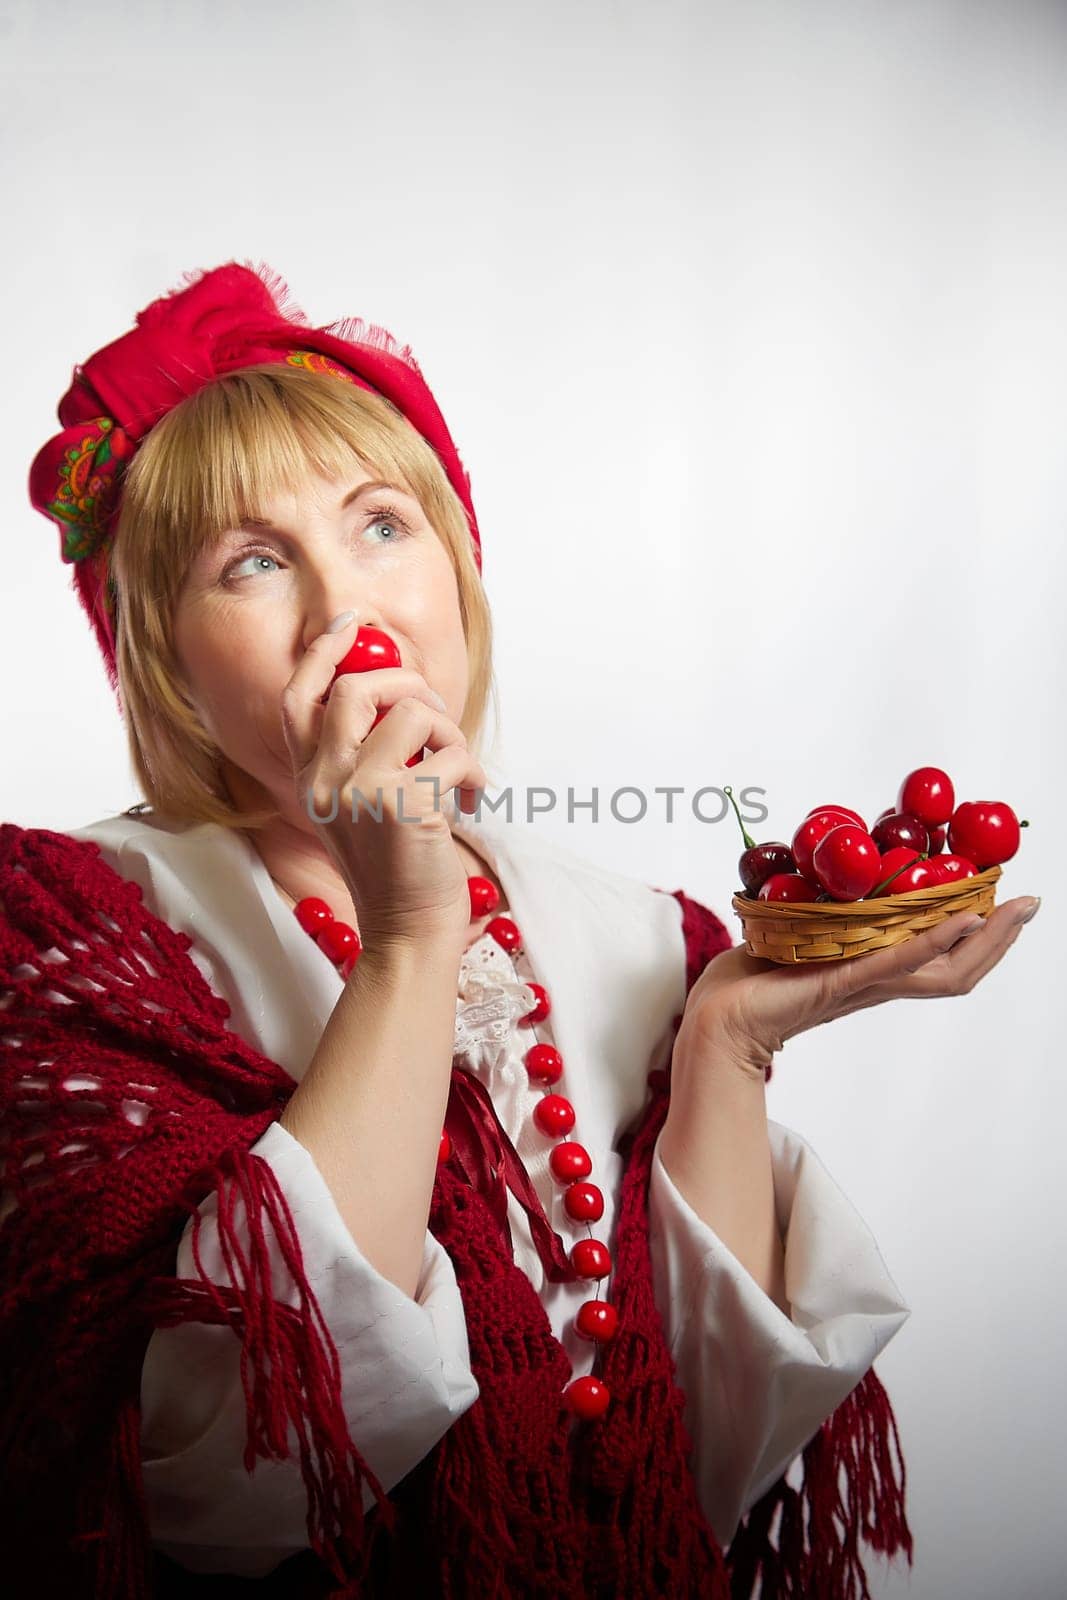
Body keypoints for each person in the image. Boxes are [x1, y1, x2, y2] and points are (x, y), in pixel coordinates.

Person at [0, 261, 1038, 1599]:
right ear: (166, 662)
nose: (345, 609)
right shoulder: (73, 940)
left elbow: (698, 1479)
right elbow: (229, 1493)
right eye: (252, 562)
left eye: (384, 525)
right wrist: (409, 938)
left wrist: (722, 1045)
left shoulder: (634, 937)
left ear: (459, 564)